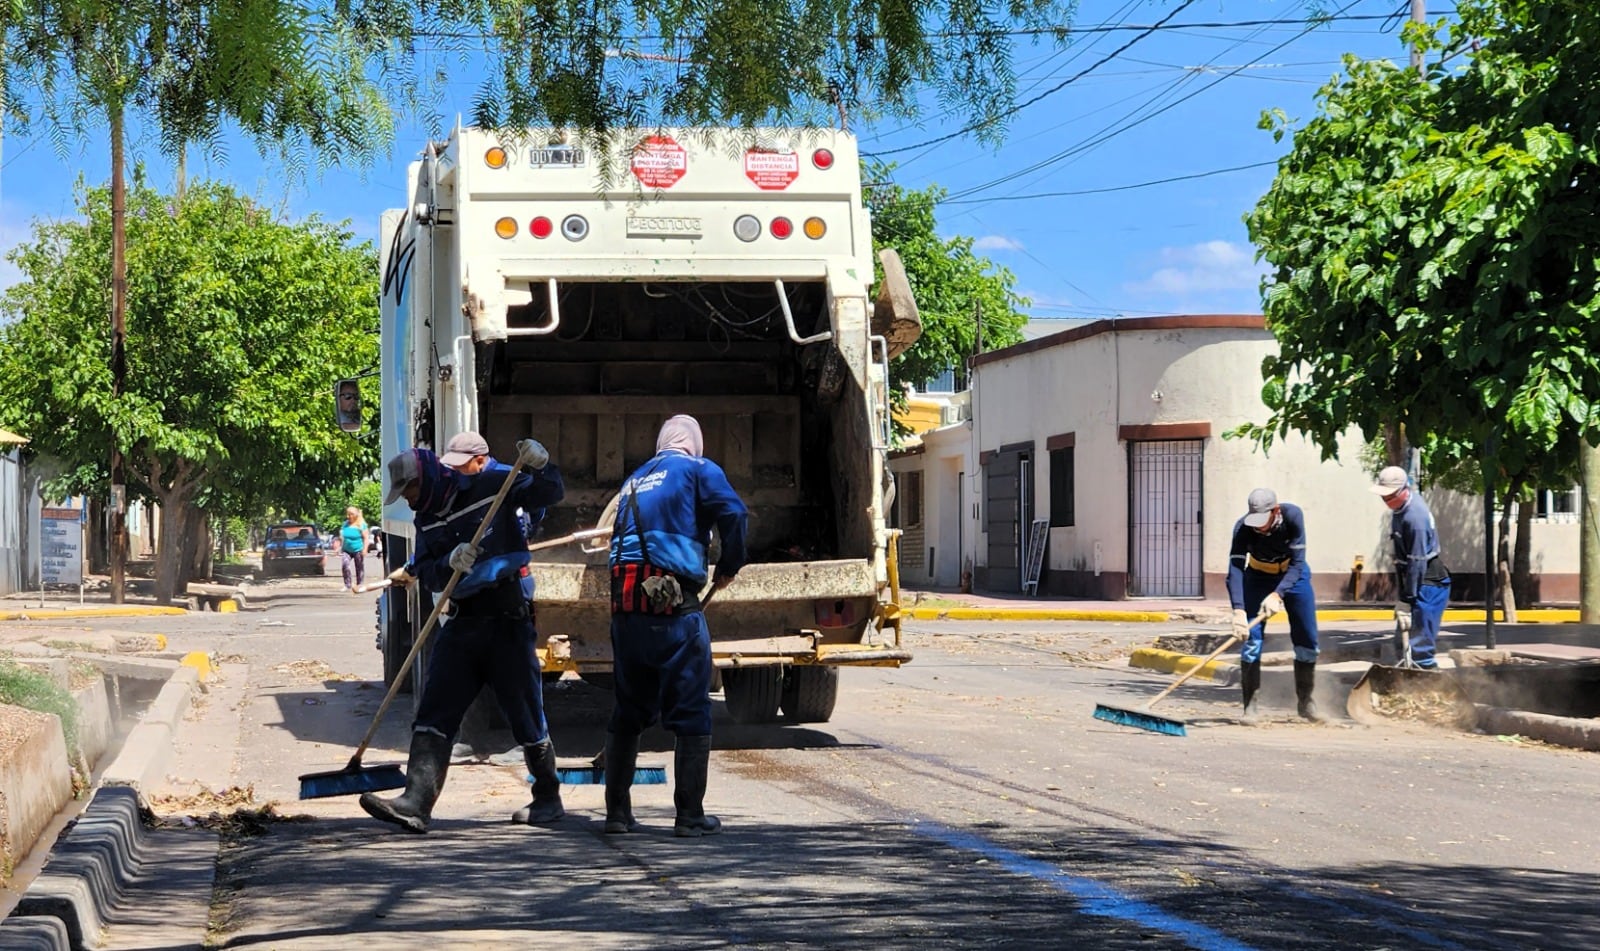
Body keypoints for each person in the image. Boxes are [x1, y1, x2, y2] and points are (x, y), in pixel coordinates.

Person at [359, 433, 567, 833]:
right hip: (464, 618)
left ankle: (547, 796)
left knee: (524, 711)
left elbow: (549, 493)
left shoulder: (494, 484)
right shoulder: (427, 517)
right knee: (437, 705)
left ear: (429, 476)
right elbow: (429, 569)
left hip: (508, 616)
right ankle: (416, 801)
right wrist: (449, 563)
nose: (408, 498)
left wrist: (542, 464)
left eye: (410, 488)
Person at [605, 415, 747, 838]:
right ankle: (689, 817)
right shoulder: (699, 470)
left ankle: (616, 815)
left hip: (625, 610)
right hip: (673, 610)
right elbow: (735, 514)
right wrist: (730, 565)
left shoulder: (634, 479)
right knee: (691, 713)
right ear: (693, 444)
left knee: (628, 712)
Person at [1226, 487, 1321, 721]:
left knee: (1307, 639)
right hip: (1257, 577)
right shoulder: (1242, 528)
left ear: (1275, 510)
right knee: (1250, 639)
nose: (1258, 526)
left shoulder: (1293, 517)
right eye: (1254, 520)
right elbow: (1235, 569)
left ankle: (1306, 703)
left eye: (1263, 520)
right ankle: (1250, 707)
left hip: (1293, 576)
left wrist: (1277, 594)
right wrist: (1238, 609)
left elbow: (1298, 564)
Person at [1371, 465, 1452, 668]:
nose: (1385, 501)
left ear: (1403, 489)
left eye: (1389, 496)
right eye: (1383, 496)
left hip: (1428, 585)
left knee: (1420, 649)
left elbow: (1417, 562)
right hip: (1416, 583)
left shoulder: (1415, 517)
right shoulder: (1403, 506)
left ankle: (1430, 690)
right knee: (1403, 645)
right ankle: (1405, 690)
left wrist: (1408, 599)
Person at [339, 506, 370, 592]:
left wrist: (365, 549)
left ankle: (360, 584)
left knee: (359, 567)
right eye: (348, 514)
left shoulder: (361, 525)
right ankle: (347, 585)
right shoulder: (345, 524)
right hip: (346, 549)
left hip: (358, 549)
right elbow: (342, 536)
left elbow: (366, 538)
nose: (349, 516)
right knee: (345, 565)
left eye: (351, 514)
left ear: (356, 515)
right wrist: (340, 546)